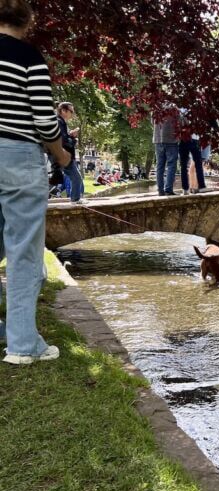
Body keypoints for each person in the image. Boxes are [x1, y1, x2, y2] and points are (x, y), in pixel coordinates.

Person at [0, 0, 71, 364]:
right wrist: (60, 155)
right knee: (24, 252)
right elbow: (45, 121)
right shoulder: (29, 58)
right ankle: (23, 345)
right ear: (27, 22)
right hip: (18, 155)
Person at [55, 102, 85, 204]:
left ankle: (74, 199)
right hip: (64, 156)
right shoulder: (59, 122)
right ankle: (75, 200)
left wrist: (70, 134)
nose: (72, 114)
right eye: (71, 111)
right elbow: (63, 141)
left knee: (75, 177)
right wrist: (73, 137)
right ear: (63, 111)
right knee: (76, 178)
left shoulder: (61, 123)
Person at [178, 109, 207, 194]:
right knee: (198, 164)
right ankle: (201, 186)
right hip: (194, 139)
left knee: (183, 165)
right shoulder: (196, 108)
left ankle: (185, 189)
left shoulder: (179, 110)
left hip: (183, 139)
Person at [152, 104, 179, 196]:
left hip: (158, 140)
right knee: (171, 165)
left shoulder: (156, 108)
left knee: (160, 166)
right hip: (171, 140)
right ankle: (168, 189)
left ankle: (160, 190)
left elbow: (152, 122)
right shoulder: (174, 109)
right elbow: (181, 122)